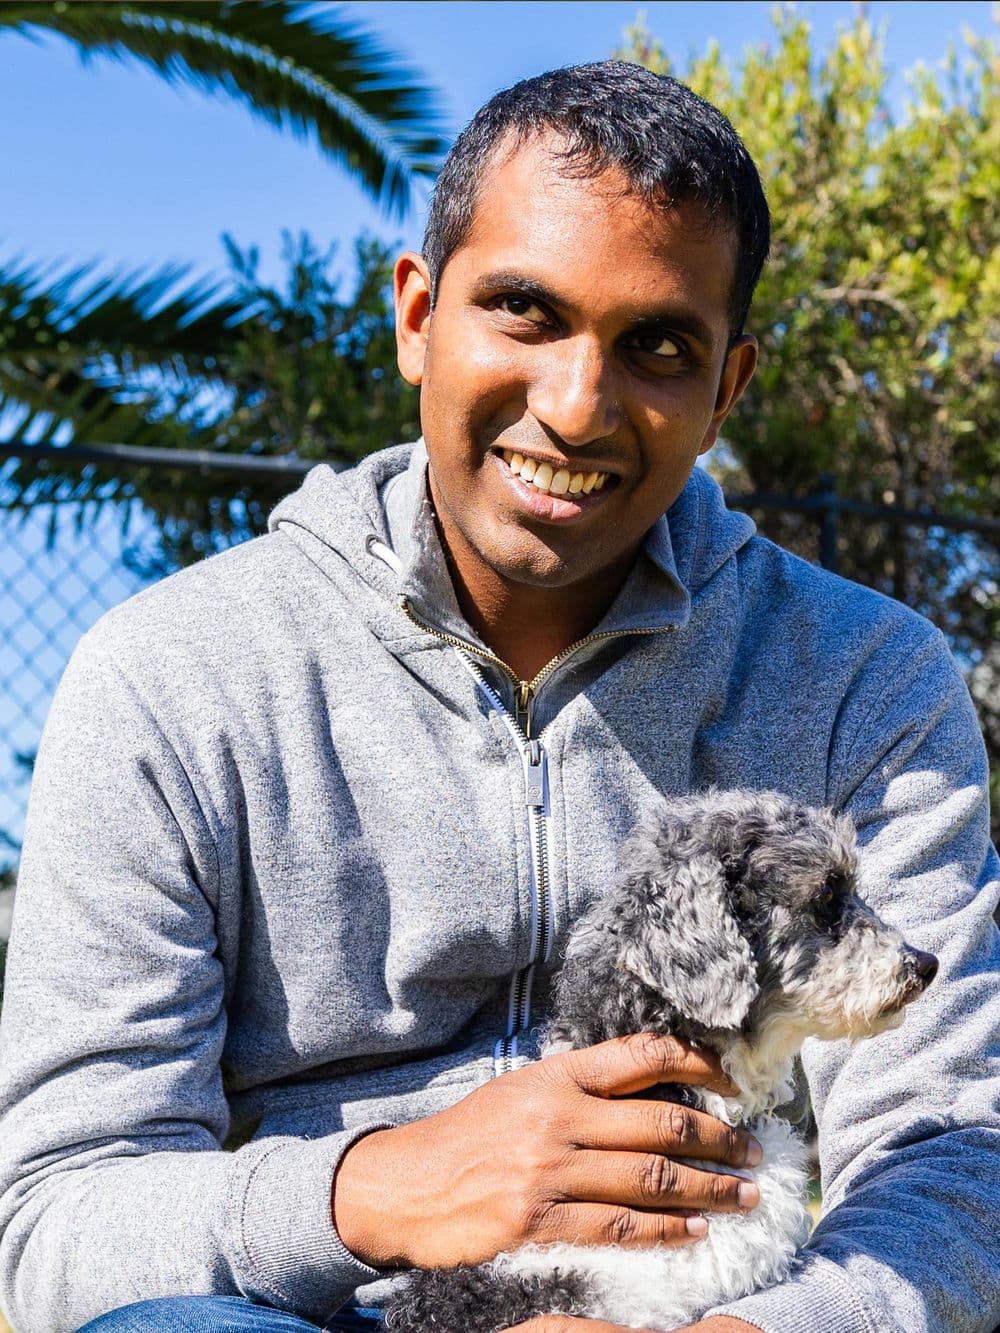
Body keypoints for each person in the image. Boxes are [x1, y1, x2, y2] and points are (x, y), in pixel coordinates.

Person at [0, 60, 997, 1333]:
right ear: (418, 315)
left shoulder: (868, 680)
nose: (577, 408)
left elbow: (954, 1155)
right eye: (525, 310)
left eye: (657, 346)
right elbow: (60, 1214)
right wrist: (373, 1189)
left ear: (725, 391)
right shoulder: (170, 674)